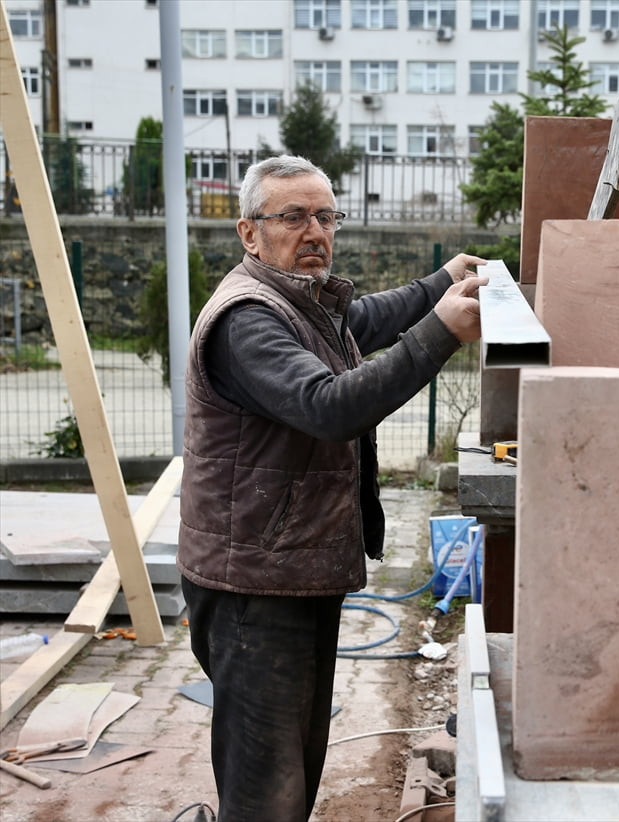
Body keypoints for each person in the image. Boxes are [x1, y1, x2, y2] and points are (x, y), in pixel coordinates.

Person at [176, 154, 487, 821]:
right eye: (292, 216)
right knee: (268, 790)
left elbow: (366, 320)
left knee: (296, 766)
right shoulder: (247, 321)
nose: (313, 231)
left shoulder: (302, 302)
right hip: (250, 588)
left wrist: (442, 281)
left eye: (325, 215)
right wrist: (440, 334)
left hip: (291, 569)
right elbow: (330, 406)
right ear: (249, 233)